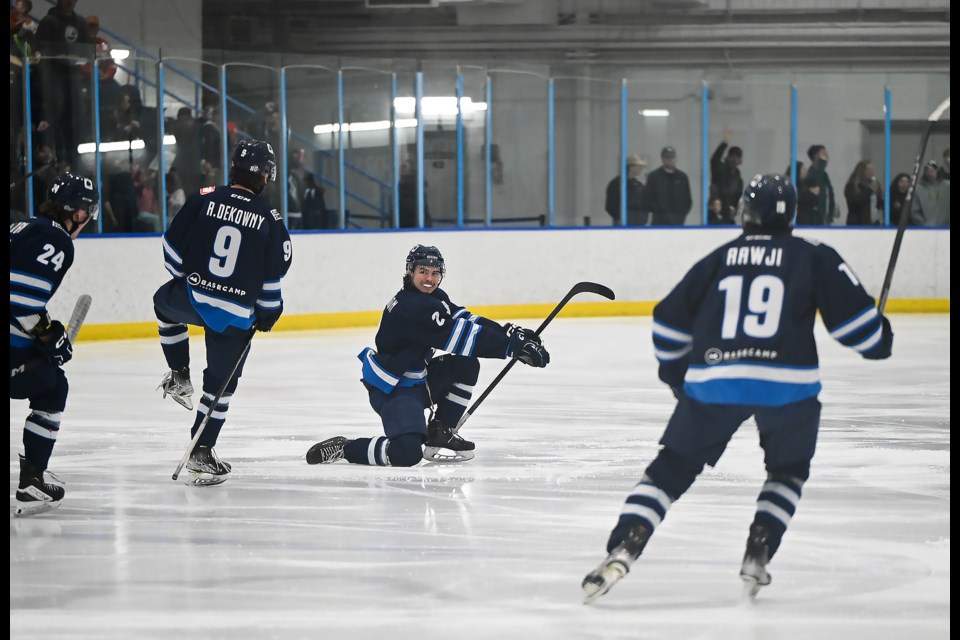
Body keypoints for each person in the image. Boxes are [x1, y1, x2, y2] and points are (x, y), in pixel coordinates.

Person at [581, 173, 894, 604]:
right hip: (789, 387)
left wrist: (678, 378)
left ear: (746, 211)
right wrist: (881, 335)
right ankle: (759, 546)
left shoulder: (719, 258)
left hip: (715, 382)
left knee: (669, 471)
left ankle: (627, 542)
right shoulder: (814, 256)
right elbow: (861, 332)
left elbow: (668, 322)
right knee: (786, 472)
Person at [304, 244, 550, 467]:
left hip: (419, 379)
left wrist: (509, 332)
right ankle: (346, 448)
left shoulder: (432, 298)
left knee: (465, 364)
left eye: (435, 273)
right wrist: (511, 346)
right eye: (423, 271)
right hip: (395, 389)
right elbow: (460, 336)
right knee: (406, 454)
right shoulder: (412, 307)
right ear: (411, 272)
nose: (429, 278)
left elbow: (465, 319)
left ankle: (441, 430)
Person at [153, 139, 292, 486]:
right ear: (267, 176)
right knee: (220, 387)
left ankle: (179, 374)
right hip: (235, 315)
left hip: (193, 297)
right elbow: (272, 279)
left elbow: (171, 251)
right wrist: (268, 314)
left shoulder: (204, 197)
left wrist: (191, 281)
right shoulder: (270, 219)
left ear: (234, 168)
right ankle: (201, 452)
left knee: (162, 303)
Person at [10, 172, 100, 516]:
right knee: (51, 387)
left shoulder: (21, 227)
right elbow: (20, 299)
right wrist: (48, 335)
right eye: (84, 212)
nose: (86, 220)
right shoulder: (56, 240)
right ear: (72, 212)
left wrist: (46, 330)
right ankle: (32, 480)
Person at [645, 146, 692, 226]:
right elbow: (648, 200)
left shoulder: (682, 177)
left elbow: (688, 200)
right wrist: (660, 212)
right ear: (662, 159)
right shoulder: (654, 177)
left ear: (676, 158)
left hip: (678, 223)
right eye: (667, 157)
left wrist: (680, 216)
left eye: (672, 157)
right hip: (659, 222)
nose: (670, 160)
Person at [709, 126, 744, 224]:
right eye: (732, 156)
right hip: (714, 217)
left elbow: (738, 198)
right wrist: (725, 142)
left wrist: (736, 210)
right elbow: (714, 159)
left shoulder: (738, 180)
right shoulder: (720, 169)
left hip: (728, 218)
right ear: (727, 157)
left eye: (737, 157)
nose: (734, 159)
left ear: (740, 161)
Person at [604, 154, 648, 226]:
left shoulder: (639, 185)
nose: (640, 168)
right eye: (638, 166)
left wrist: (642, 220)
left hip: (638, 226)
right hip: (622, 225)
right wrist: (620, 218)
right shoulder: (616, 184)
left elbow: (645, 204)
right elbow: (610, 206)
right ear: (631, 167)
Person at [804, 144, 837, 225]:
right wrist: (821, 163)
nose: (827, 157)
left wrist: (831, 213)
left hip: (826, 220)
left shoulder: (825, 176)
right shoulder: (810, 174)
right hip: (815, 221)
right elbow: (815, 181)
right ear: (816, 156)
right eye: (823, 154)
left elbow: (829, 195)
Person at [910, 161, 950, 227]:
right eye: (928, 170)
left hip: (946, 228)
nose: (930, 172)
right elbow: (914, 211)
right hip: (926, 229)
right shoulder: (918, 190)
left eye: (933, 170)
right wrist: (924, 225)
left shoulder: (947, 187)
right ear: (924, 172)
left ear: (937, 171)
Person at [843, 160, 883, 226]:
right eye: (868, 169)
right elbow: (854, 202)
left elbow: (877, 204)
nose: (871, 172)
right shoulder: (853, 185)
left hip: (874, 223)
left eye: (872, 169)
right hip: (858, 223)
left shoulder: (873, 184)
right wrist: (870, 190)